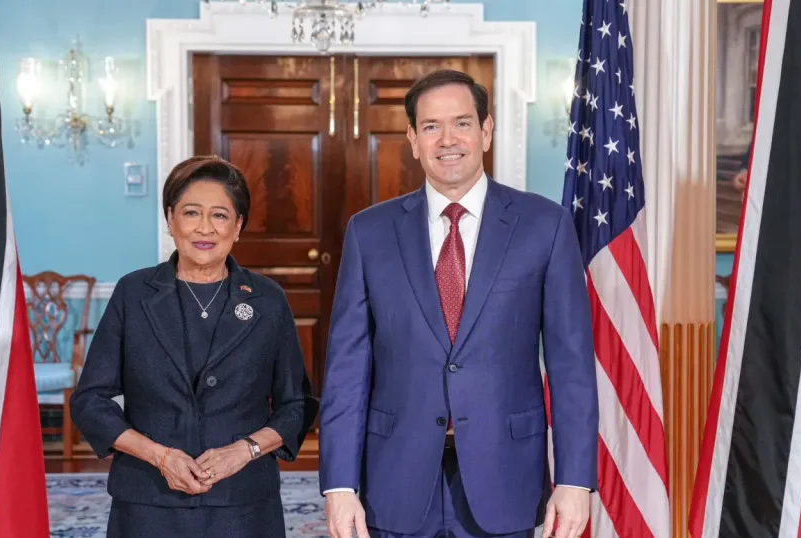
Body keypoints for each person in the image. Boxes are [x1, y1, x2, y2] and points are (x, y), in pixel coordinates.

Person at [318, 69, 598, 538]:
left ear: (486, 131)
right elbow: (347, 369)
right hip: (397, 477)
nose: (447, 139)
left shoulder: (544, 225)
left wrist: (574, 479)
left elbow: (571, 364)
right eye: (430, 126)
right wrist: (339, 485)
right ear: (412, 138)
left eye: (462, 123)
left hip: (506, 476)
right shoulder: (369, 233)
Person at [70, 155, 315, 538]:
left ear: (238, 226)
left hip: (243, 502)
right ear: (170, 220)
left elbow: (297, 406)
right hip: (148, 500)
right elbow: (90, 401)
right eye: (191, 213)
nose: (205, 228)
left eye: (219, 215)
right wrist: (160, 456)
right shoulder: (133, 294)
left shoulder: (267, 299)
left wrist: (244, 451)